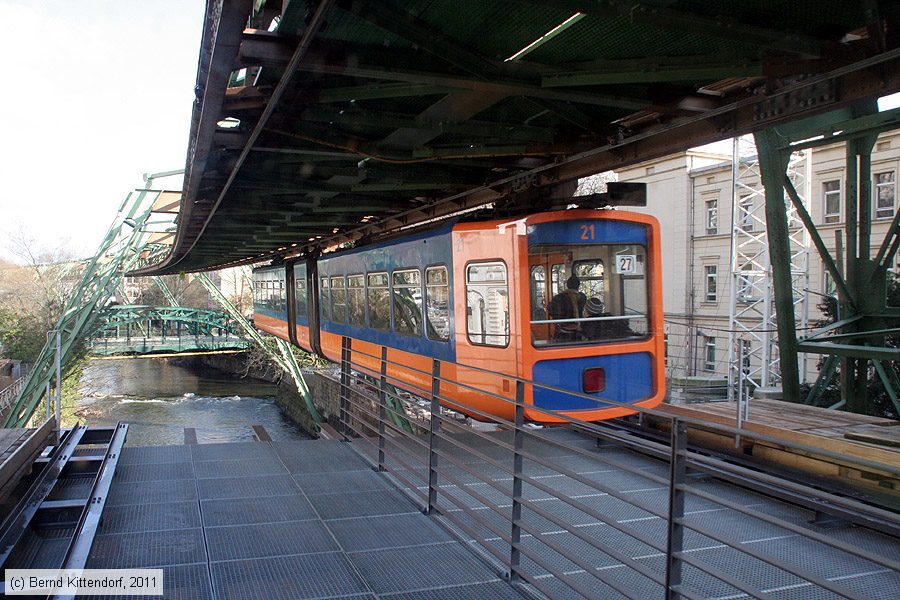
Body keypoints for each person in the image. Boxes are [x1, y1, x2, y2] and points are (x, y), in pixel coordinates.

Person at [548, 275, 586, 341]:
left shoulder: (559, 298)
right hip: (577, 331)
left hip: (562, 331)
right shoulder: (582, 297)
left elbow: (550, 310)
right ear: (578, 286)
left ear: (567, 285)